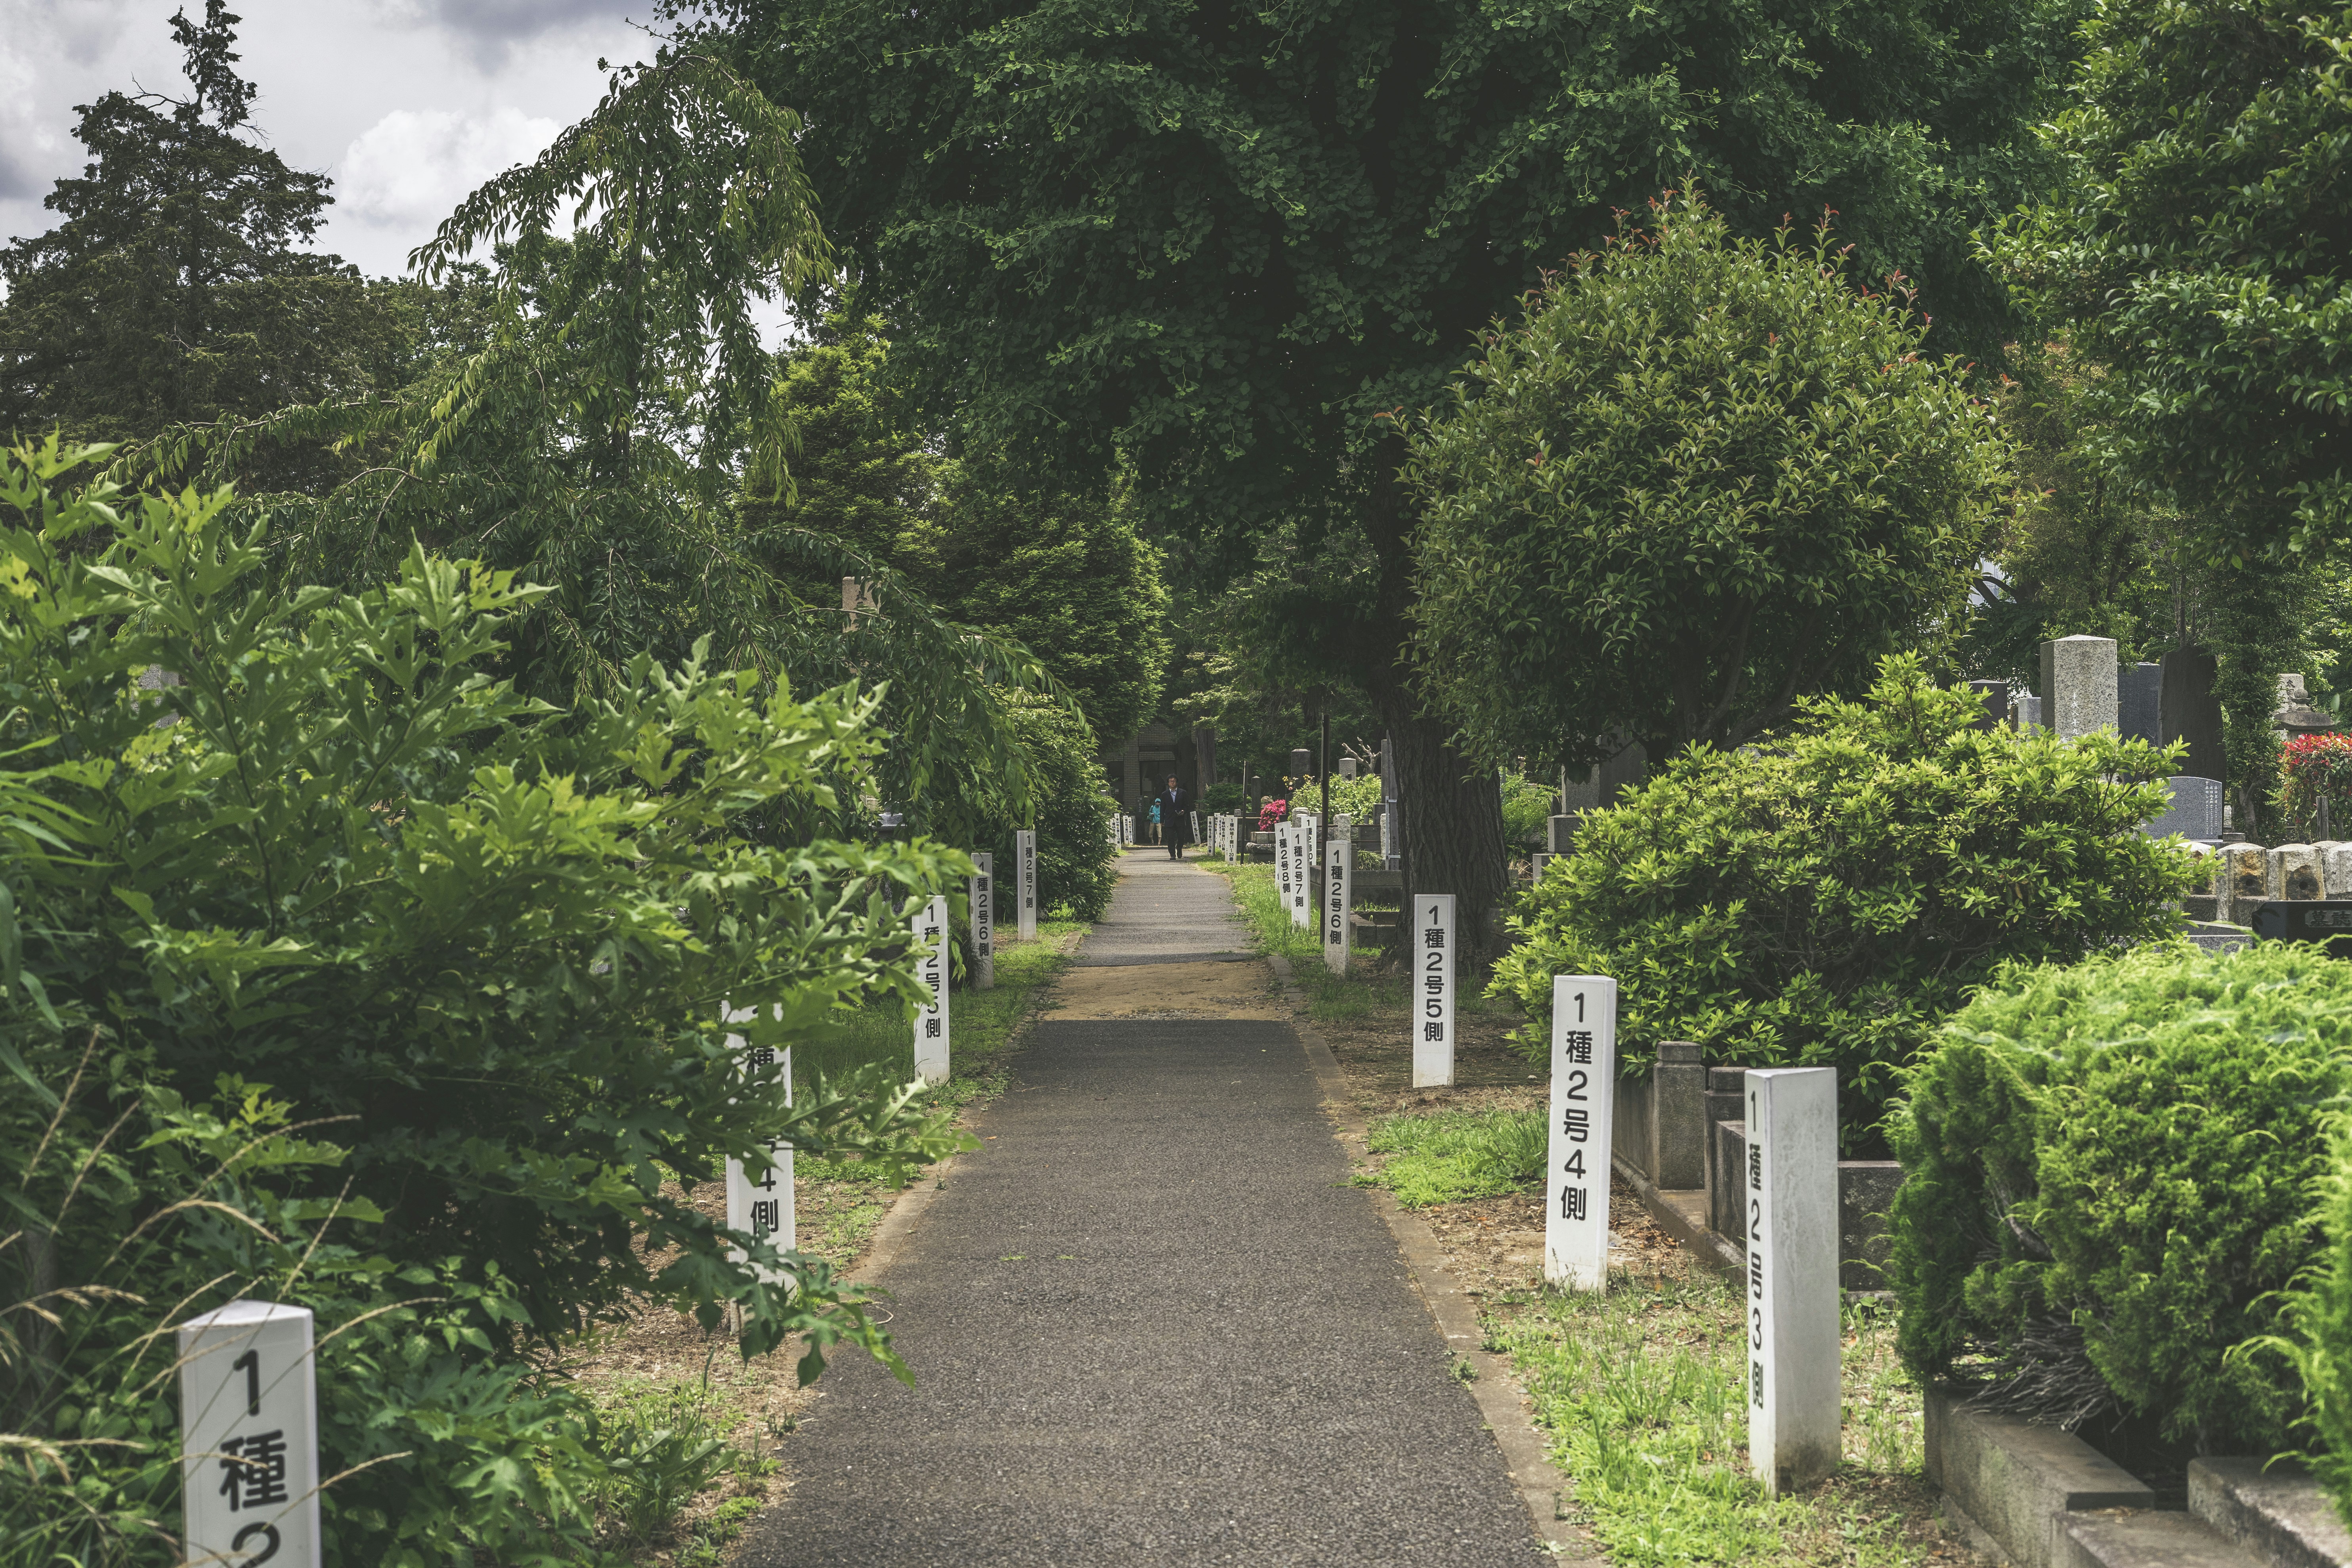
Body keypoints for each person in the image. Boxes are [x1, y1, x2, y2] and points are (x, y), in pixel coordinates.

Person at [1156, 774, 1192, 860]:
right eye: (1171, 781)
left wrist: (1184, 811)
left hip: (1180, 819)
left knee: (1181, 837)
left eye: (1174, 781)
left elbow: (1187, 806)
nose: (1172, 783)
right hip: (1169, 819)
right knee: (1170, 838)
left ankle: (1179, 849)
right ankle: (1172, 854)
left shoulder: (1183, 793)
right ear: (1168, 783)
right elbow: (1162, 808)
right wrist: (1162, 820)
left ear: (1177, 782)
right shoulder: (1164, 794)